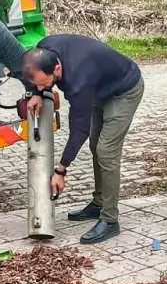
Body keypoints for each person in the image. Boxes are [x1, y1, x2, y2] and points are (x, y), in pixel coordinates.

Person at [23, 34, 143, 245]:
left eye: (45, 85)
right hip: (99, 88)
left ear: (57, 70)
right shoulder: (44, 49)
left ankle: (110, 219)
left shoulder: (78, 80)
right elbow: (36, 77)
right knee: (96, 145)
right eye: (38, 85)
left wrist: (61, 170)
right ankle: (98, 203)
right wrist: (36, 93)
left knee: (106, 150)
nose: (43, 88)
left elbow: (79, 129)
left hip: (124, 91)